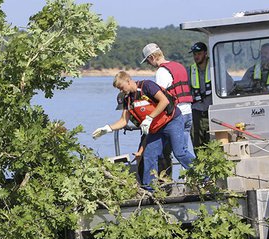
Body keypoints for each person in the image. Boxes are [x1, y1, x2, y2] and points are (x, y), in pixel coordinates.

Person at [92, 71, 195, 190]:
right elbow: (123, 121)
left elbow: (164, 101)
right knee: (149, 154)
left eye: (121, 87)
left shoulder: (147, 86)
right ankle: (149, 188)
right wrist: (107, 128)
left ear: (128, 81)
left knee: (180, 152)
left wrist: (149, 117)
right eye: (119, 89)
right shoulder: (128, 99)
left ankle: (203, 176)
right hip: (156, 128)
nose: (121, 91)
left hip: (172, 121)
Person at [140, 42, 195, 180]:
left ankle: (166, 184)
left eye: (147, 60)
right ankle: (191, 183)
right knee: (184, 151)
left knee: (168, 152)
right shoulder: (179, 66)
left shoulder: (162, 72)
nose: (148, 64)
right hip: (189, 112)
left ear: (152, 57)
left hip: (177, 115)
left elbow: (160, 97)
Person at [188, 42, 234, 148]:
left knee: (214, 144)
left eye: (199, 53)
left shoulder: (215, 68)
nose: (196, 56)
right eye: (194, 54)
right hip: (197, 113)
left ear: (205, 53)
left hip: (212, 112)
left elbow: (229, 85)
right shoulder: (191, 70)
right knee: (197, 144)